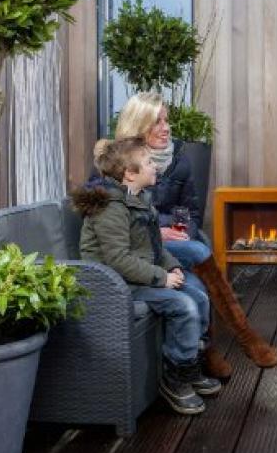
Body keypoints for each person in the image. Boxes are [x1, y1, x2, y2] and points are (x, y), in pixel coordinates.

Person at [100, 92, 277, 377]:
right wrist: (159, 229)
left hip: (172, 243)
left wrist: (182, 231)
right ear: (138, 125)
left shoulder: (179, 160)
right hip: (140, 244)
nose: (166, 127)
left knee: (196, 274)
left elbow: (191, 212)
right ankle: (244, 337)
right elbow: (111, 210)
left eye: (166, 120)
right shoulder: (118, 162)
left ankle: (205, 350)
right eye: (157, 121)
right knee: (199, 253)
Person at [72, 137, 221, 416]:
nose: (155, 166)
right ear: (130, 174)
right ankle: (174, 377)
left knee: (199, 298)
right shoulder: (111, 208)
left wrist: (172, 266)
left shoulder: (139, 201)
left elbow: (155, 246)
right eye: (149, 162)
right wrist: (161, 278)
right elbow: (118, 260)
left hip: (137, 277)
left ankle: (189, 365)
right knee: (184, 305)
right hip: (117, 284)